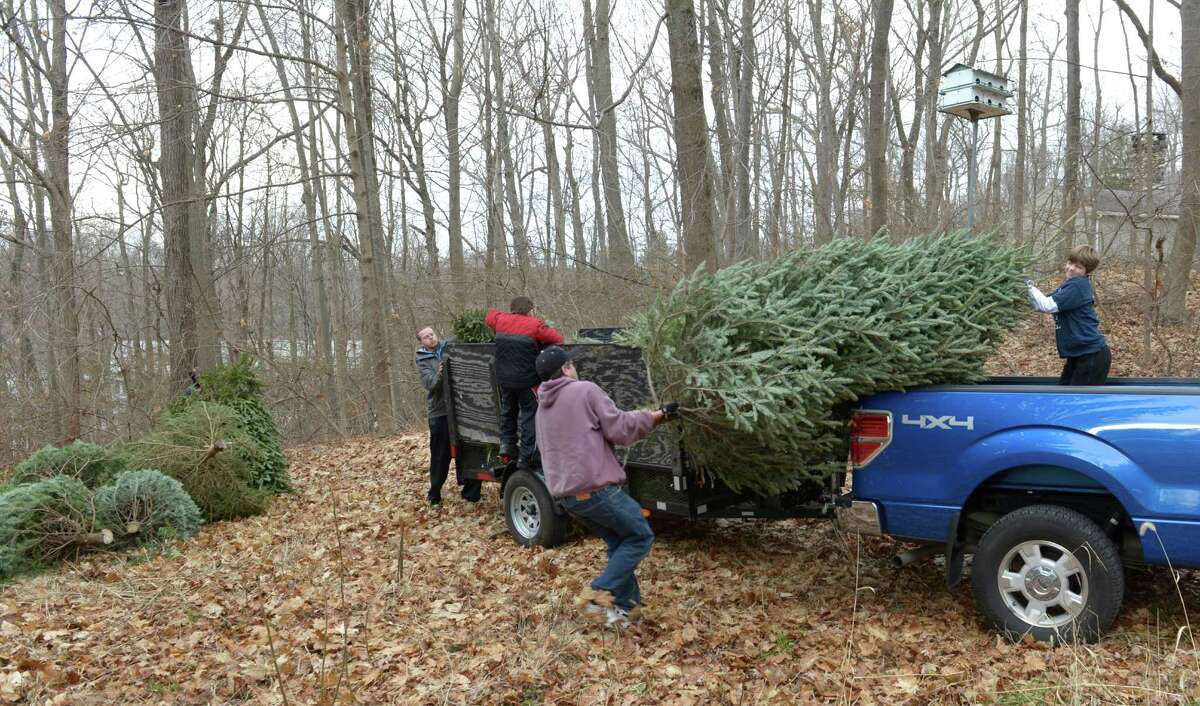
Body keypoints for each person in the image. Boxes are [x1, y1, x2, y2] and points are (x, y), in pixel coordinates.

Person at [533, 345, 678, 628]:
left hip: (568, 496)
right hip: (596, 489)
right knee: (639, 537)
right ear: (566, 368)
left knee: (618, 543)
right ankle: (599, 591)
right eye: (571, 365)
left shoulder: (542, 409)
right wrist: (657, 415)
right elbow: (620, 428)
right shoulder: (584, 390)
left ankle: (625, 613)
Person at [484, 297, 565, 468]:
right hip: (527, 381)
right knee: (530, 415)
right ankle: (528, 456)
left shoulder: (500, 320)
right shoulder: (535, 325)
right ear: (530, 311)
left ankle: (506, 445)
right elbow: (558, 339)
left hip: (505, 379)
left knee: (509, 411)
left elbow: (489, 316)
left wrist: (505, 316)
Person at [415, 326, 482, 508]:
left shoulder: (449, 347)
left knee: (469, 449)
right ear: (421, 342)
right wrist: (440, 372)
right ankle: (434, 494)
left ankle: (471, 493)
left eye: (432, 334)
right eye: (426, 337)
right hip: (440, 412)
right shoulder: (423, 359)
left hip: (461, 408)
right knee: (440, 455)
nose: (431, 338)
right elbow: (431, 384)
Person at [1026, 245, 1111, 386]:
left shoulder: (1078, 285)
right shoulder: (1069, 285)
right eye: (1070, 263)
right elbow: (1040, 304)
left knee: (1077, 402)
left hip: (1091, 355)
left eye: (1078, 267)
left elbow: (1047, 305)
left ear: (1086, 272)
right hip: (1079, 355)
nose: (1071, 268)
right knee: (1064, 394)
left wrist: (1027, 285)